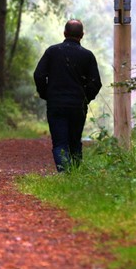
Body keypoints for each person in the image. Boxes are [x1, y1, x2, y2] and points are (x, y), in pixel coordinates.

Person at [34, 19, 102, 172]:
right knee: (75, 142)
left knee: (59, 143)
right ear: (82, 35)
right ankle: (75, 175)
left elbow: (39, 75)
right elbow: (96, 83)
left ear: (64, 33)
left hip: (55, 104)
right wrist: (85, 98)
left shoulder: (52, 51)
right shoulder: (87, 56)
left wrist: (46, 94)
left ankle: (65, 174)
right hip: (78, 106)